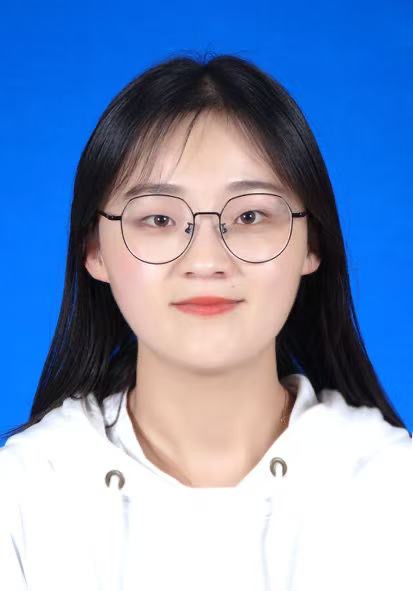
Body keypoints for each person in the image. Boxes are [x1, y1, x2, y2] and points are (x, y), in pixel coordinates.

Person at [0, 52, 412, 591]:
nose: (207, 260)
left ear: (312, 244)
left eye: (250, 216)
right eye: (159, 218)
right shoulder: (24, 498)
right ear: (94, 251)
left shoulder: (392, 492)